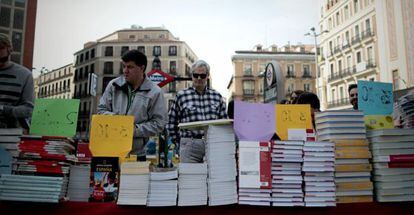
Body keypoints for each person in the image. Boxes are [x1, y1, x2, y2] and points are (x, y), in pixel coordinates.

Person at [97, 50, 167, 161]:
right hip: (110, 151)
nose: (125, 71)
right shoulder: (113, 85)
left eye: (130, 67)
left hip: (137, 155)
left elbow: (159, 124)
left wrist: (132, 129)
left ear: (142, 68)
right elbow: (101, 110)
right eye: (123, 66)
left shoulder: (155, 92)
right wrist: (118, 121)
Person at [167, 60, 227, 163]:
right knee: (190, 177)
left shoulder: (217, 96)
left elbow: (224, 123)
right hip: (189, 144)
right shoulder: (181, 96)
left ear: (207, 76)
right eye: (196, 75)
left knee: (213, 178)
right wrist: (180, 141)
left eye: (202, 75)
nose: (199, 78)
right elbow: (171, 122)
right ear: (192, 76)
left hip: (212, 145)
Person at [0, 33, 34, 129]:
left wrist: (4, 109)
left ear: (10, 49)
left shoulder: (25, 75)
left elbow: (29, 109)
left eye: (0, 48)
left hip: (10, 134)